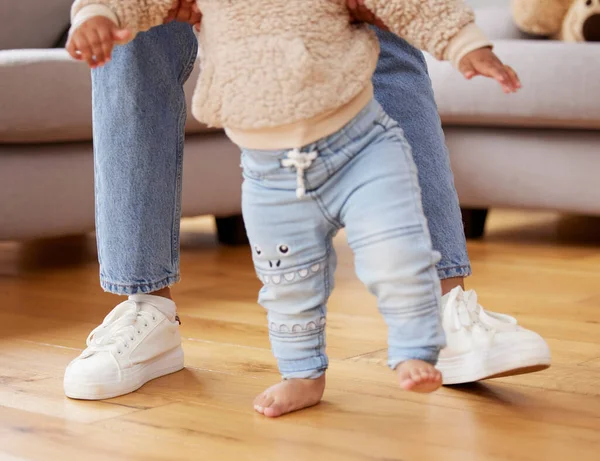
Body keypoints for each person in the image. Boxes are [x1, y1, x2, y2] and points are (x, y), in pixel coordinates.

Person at [63, 0, 551, 412]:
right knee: (288, 279)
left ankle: (438, 312)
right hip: (269, 173)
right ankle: (154, 310)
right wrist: (97, 12)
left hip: (365, 143)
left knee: (394, 241)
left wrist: (466, 41)